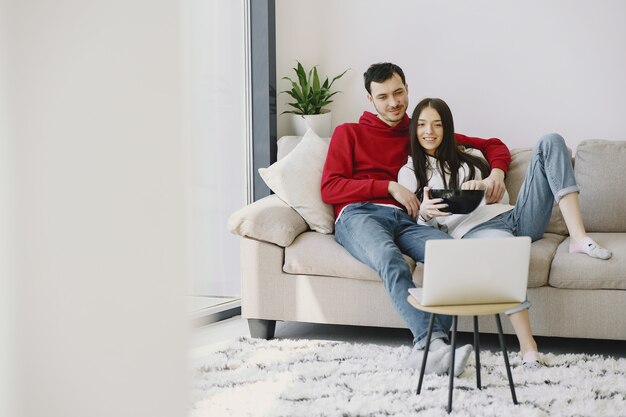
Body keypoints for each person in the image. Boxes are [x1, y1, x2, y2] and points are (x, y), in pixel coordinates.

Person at [321, 63, 512, 376]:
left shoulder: (420, 132)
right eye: (383, 97)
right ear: (369, 99)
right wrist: (388, 186)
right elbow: (330, 187)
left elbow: (492, 145)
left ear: (407, 89)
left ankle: (432, 351)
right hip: (359, 214)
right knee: (388, 257)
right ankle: (432, 345)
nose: (393, 102)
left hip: (406, 221)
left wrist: (497, 173)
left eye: (398, 93)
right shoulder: (348, 133)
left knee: (453, 254)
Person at [398, 97, 612, 368]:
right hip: (477, 232)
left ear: (447, 128)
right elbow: (418, 229)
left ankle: (578, 237)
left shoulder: (471, 156)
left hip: (515, 216)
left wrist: (489, 181)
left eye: (438, 125)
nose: (430, 131)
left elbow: (497, 162)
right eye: (423, 125)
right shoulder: (410, 172)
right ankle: (528, 347)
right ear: (414, 129)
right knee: (505, 256)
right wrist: (426, 212)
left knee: (551, 140)